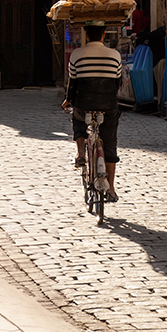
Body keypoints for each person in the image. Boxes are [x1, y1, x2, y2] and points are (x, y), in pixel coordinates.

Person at [62, 23, 123, 202]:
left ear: (86, 35)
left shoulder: (77, 55)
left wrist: (67, 100)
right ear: (104, 35)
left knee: (79, 121)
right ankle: (111, 188)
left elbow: (72, 83)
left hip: (84, 103)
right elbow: (117, 83)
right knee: (110, 142)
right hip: (108, 104)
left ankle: (81, 153)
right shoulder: (115, 55)